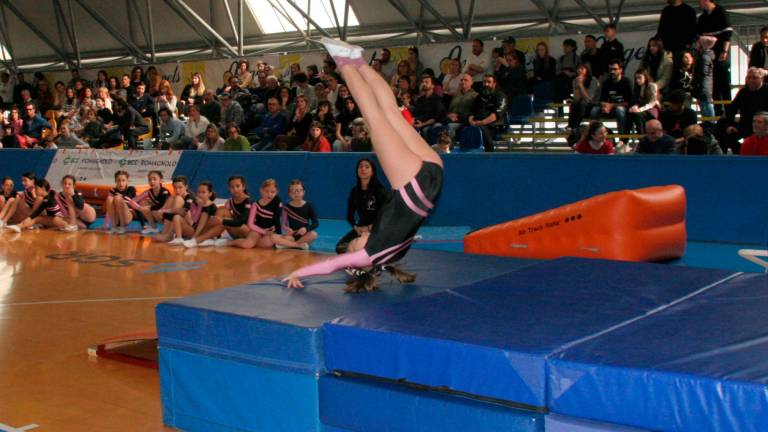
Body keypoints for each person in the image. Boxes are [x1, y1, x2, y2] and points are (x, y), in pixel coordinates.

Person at [284, 38, 444, 291]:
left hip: (433, 177)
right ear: (360, 262)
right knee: (373, 114)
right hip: (413, 184)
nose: (355, 241)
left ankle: (357, 60)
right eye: (353, 246)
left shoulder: (391, 256)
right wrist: (299, 272)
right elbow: (330, 266)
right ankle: (343, 61)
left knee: (391, 112)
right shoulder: (369, 255)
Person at [183, 175, 250, 248]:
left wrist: (222, 221)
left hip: (248, 233)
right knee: (222, 211)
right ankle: (209, 237)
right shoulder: (230, 201)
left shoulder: (248, 201)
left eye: (238, 186)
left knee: (224, 222)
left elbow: (241, 221)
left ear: (243, 187)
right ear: (229, 188)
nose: (235, 189)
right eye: (232, 187)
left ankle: (197, 240)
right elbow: (218, 217)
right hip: (236, 232)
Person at [225, 178, 284, 249]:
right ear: (261, 190)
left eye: (272, 192)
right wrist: (264, 232)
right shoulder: (255, 205)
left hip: (270, 231)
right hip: (256, 231)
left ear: (276, 192)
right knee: (247, 244)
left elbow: (277, 220)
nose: (269, 194)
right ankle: (229, 242)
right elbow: (250, 224)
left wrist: (279, 235)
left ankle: (257, 242)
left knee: (265, 245)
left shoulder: (278, 202)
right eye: (266, 191)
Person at [697, 0, 733, 114]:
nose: (699, 3)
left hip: (720, 53)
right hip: (708, 55)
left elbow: (727, 33)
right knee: (714, 84)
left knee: (724, 83)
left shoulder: (721, 12)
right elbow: (698, 35)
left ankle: (728, 112)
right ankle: (718, 112)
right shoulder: (702, 17)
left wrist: (724, 51)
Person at [159, 179, 218, 246]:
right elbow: (194, 219)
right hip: (195, 230)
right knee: (176, 217)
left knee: (182, 213)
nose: (200, 194)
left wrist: (194, 239)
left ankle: (205, 238)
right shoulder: (196, 203)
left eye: (203, 192)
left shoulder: (210, 205)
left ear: (210, 194)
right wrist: (197, 206)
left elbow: (202, 224)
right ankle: (179, 238)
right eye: (198, 192)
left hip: (204, 232)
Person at [5, 179, 75, 233]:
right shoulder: (45, 199)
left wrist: (29, 218)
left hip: (57, 219)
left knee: (54, 219)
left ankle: (69, 227)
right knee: (36, 218)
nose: (35, 191)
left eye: (37, 189)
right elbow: (38, 212)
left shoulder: (47, 199)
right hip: (52, 219)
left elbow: (37, 211)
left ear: (43, 189)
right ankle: (19, 227)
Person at [590, 60, 632, 135]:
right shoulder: (606, 83)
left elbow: (629, 103)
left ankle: (622, 139)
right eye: (610, 69)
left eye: (615, 69)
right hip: (609, 109)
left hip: (622, 109)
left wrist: (611, 105)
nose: (612, 71)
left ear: (620, 70)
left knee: (620, 110)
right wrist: (604, 106)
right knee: (594, 110)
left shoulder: (626, 82)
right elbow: (601, 100)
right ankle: (597, 135)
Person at [276, 179, 319, 249]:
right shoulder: (286, 207)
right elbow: (283, 224)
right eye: (293, 191)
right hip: (292, 235)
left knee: (314, 234)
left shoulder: (309, 206)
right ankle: (299, 245)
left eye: (299, 190)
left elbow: (316, 223)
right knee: (275, 237)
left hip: (304, 235)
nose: (296, 193)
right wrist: (287, 229)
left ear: (303, 192)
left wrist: (306, 229)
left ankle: (289, 245)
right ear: (289, 193)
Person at [468, 74, 506, 152]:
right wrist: (471, 121)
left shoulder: (500, 95)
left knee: (482, 130)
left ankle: (490, 154)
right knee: (460, 129)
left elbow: (496, 114)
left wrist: (482, 122)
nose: (486, 84)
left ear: (494, 84)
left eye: (489, 82)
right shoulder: (479, 97)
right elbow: (471, 112)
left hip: (493, 125)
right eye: (484, 82)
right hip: (477, 122)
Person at [128, 170, 171, 235]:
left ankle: (169, 229)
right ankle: (153, 228)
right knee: (143, 202)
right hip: (157, 212)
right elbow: (132, 201)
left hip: (168, 214)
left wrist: (148, 207)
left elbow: (161, 205)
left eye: (154, 179)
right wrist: (140, 208)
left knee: (155, 211)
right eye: (150, 180)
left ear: (161, 180)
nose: (152, 181)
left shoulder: (165, 192)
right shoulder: (148, 192)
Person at [412, 75, 446, 140]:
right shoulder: (420, 100)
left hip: (429, 123)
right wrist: (413, 122)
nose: (424, 84)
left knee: (426, 130)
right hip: (418, 123)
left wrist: (422, 124)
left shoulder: (437, 100)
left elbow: (436, 117)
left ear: (433, 86)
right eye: (423, 82)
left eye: (426, 82)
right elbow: (414, 114)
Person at [626, 68, 659, 134]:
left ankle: (642, 137)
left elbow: (652, 102)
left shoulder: (652, 86)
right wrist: (634, 107)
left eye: (640, 78)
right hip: (641, 109)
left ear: (645, 77)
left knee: (637, 115)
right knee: (630, 114)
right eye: (636, 78)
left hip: (651, 110)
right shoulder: (637, 88)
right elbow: (636, 101)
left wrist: (640, 109)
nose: (637, 80)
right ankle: (624, 140)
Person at [445, 73, 478, 138]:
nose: (463, 82)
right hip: (450, 120)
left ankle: (449, 147)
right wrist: (449, 115)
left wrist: (458, 116)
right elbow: (449, 110)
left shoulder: (475, 96)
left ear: (472, 82)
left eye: (466, 80)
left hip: (464, 121)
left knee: (450, 126)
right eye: (461, 80)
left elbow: (474, 112)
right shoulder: (456, 95)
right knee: (437, 126)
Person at [568, 63, 600, 129]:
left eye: (582, 69)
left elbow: (588, 99)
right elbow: (576, 99)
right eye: (578, 69)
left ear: (587, 70)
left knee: (582, 103)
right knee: (574, 104)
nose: (579, 70)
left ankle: (575, 127)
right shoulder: (575, 80)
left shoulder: (594, 81)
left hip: (592, 105)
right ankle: (570, 127)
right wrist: (577, 87)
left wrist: (581, 85)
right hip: (580, 106)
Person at [695, 36, 717, 118]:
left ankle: (711, 122)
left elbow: (703, 72)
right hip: (705, 85)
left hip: (703, 85)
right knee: (705, 105)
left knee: (706, 105)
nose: (696, 44)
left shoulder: (704, 57)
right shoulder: (706, 56)